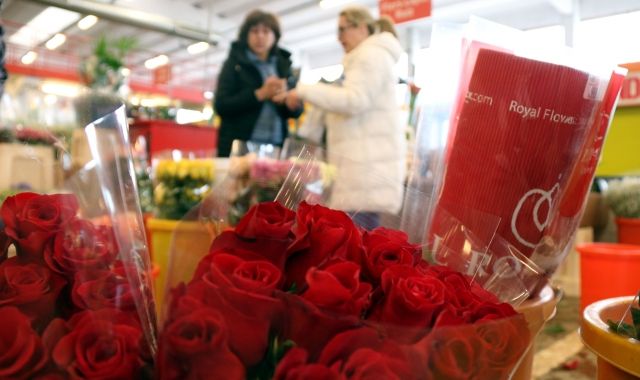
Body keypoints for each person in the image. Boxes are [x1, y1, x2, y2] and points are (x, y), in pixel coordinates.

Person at [280, 6, 407, 229]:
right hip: (361, 175)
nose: (339, 38)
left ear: (360, 27)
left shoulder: (370, 55)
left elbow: (354, 100)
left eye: (342, 30)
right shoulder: (367, 56)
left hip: (364, 176)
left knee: (354, 249)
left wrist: (304, 90)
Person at [214, 10, 302, 157]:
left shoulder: (284, 65)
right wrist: (260, 94)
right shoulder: (234, 64)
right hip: (240, 147)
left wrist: (289, 102)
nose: (260, 36)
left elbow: (296, 111)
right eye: (254, 31)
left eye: (266, 31)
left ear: (275, 36)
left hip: (276, 147)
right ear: (246, 35)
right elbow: (221, 105)